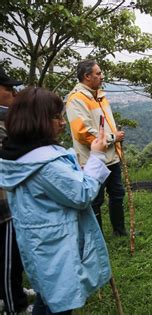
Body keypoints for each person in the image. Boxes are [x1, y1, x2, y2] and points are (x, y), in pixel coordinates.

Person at [0, 87, 112, 314]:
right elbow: (81, 194)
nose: (62, 122)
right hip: (57, 246)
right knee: (58, 302)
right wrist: (97, 155)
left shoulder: (18, 154)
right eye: (56, 117)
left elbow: (61, 188)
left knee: (49, 295)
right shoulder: (45, 164)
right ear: (38, 120)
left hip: (39, 242)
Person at [66, 59, 127, 236]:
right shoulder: (76, 99)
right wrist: (112, 138)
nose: (102, 76)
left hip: (112, 157)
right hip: (92, 159)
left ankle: (119, 230)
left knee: (117, 194)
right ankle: (96, 235)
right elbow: (82, 132)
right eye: (98, 73)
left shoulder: (99, 95)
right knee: (95, 199)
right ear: (87, 76)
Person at [0, 68, 32, 314]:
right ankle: (15, 306)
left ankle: (14, 292)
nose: (13, 93)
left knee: (12, 252)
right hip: (3, 200)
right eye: (7, 88)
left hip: (9, 196)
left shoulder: (5, 118)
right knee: (8, 257)